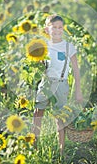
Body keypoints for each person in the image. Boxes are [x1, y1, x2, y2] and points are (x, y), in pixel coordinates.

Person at [32, 14, 83, 155]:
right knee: (38, 113)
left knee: (60, 117)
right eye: (53, 27)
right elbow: (37, 65)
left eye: (60, 27)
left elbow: (76, 70)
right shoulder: (43, 46)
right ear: (46, 29)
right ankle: (33, 146)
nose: (57, 30)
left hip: (61, 84)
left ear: (63, 29)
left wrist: (78, 91)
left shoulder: (68, 47)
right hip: (45, 83)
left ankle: (61, 150)